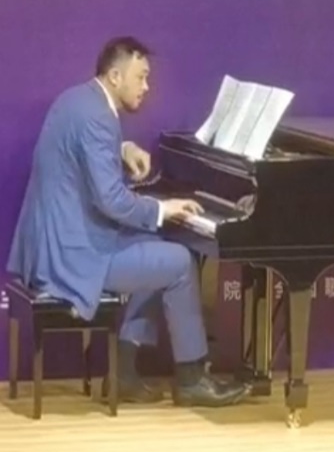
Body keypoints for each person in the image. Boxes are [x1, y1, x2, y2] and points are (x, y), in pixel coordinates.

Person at [6, 36, 250, 408]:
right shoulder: (99, 117)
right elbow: (110, 200)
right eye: (141, 77)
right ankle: (192, 380)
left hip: (53, 243)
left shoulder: (78, 100)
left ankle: (124, 373)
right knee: (180, 261)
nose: (147, 87)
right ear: (115, 76)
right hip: (72, 255)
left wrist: (122, 150)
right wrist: (162, 209)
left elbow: (81, 152)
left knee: (156, 252)